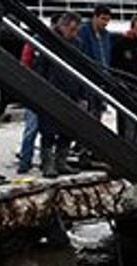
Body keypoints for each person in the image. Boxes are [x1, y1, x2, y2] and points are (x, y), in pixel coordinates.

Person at [36, 12, 84, 178]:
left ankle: (61, 161)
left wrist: (81, 94)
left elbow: (81, 69)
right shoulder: (48, 40)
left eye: (76, 30)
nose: (74, 33)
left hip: (71, 91)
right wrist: (43, 89)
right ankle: (48, 163)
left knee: (68, 128)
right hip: (51, 91)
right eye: (71, 29)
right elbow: (39, 67)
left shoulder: (77, 43)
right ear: (62, 26)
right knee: (48, 130)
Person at [112, 14, 137, 150]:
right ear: (132, 28)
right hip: (125, 86)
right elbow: (114, 65)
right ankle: (124, 147)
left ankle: (136, 147)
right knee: (125, 119)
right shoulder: (120, 44)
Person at [16, 38, 39, 174]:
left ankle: (26, 159)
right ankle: (25, 160)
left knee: (32, 128)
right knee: (31, 128)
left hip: (34, 89)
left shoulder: (32, 43)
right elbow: (24, 64)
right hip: (34, 90)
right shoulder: (33, 43)